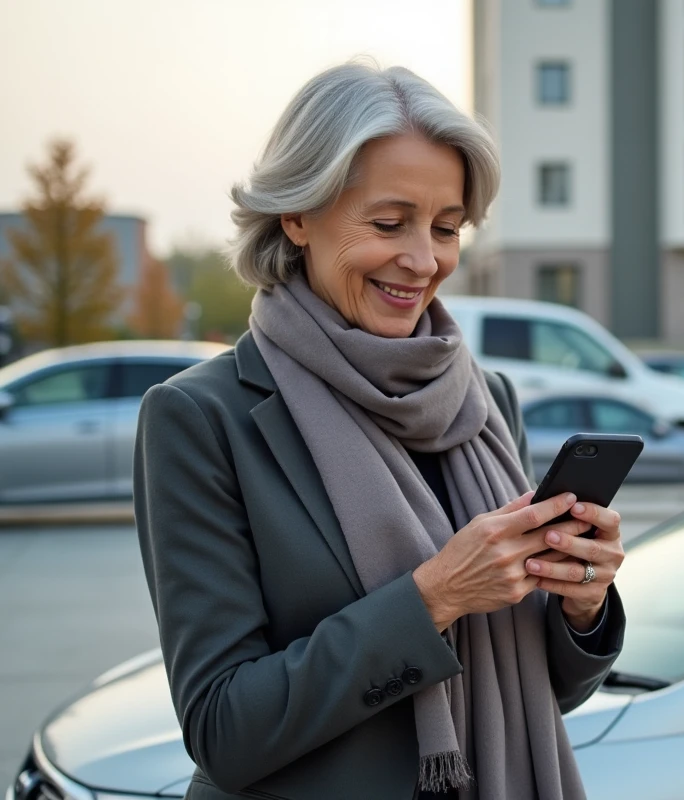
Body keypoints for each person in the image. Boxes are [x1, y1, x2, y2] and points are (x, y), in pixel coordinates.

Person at [134, 61, 626, 800]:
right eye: (389, 223)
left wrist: (583, 602)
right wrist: (433, 597)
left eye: (448, 228)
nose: (424, 260)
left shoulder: (486, 402)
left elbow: (539, 694)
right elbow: (223, 730)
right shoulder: (202, 418)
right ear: (296, 215)